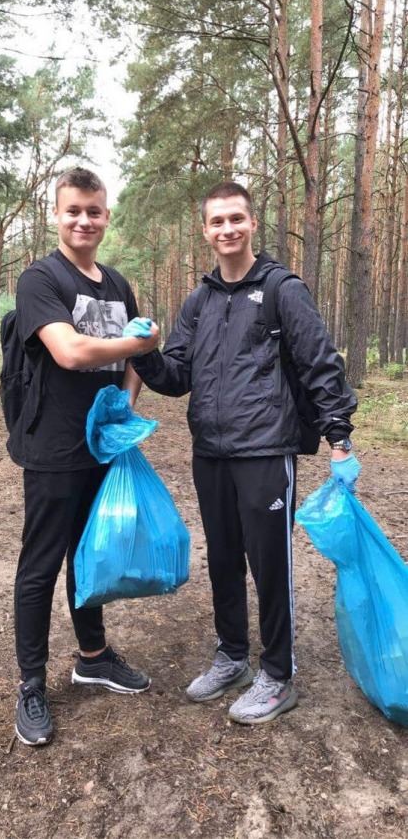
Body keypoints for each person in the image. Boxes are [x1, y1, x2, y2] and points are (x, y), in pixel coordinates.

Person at [131, 181, 359, 725]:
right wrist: (145, 352)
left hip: (265, 450)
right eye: (217, 221)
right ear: (205, 231)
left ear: (253, 223)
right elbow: (177, 376)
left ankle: (278, 674)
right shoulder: (199, 301)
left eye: (236, 218)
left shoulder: (283, 289)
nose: (227, 229)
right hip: (210, 451)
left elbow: (320, 362)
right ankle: (232, 656)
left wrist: (339, 439)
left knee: (269, 563)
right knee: (224, 558)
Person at [7, 167, 160, 746]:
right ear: (56, 214)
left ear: (106, 216)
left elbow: (132, 362)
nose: (83, 221)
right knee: (41, 564)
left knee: (89, 553)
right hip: (54, 446)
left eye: (94, 211)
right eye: (73, 210)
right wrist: (139, 342)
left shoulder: (116, 283)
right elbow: (69, 351)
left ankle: (93, 656)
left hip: (102, 448)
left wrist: (125, 406)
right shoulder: (40, 279)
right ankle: (31, 683)